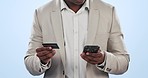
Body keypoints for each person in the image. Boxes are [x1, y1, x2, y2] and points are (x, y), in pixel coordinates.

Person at [24, 0, 130, 78]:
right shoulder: (42, 13)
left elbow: (123, 62)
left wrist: (104, 59)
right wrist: (41, 61)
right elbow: (30, 62)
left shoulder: (108, 11)